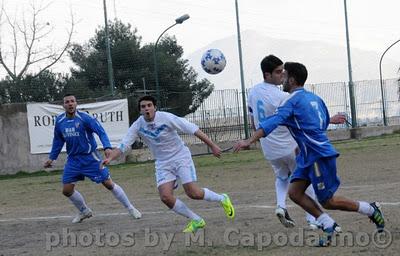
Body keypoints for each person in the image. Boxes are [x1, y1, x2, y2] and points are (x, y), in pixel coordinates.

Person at [234, 62, 385, 246]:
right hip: (307, 155)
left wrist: (248, 141)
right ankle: (328, 225)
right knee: (295, 193)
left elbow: (272, 122)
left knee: (328, 201)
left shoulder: (291, 100)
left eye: (285, 75)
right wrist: (301, 145)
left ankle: (371, 209)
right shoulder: (315, 98)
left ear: (292, 79)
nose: (282, 80)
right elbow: (319, 125)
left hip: (317, 155)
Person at [103, 95, 235, 233]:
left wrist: (212, 146)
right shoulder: (138, 125)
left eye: (149, 105)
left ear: (155, 107)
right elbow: (124, 145)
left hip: (180, 157)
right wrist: (111, 157)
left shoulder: (166, 118)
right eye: (143, 107)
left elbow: (193, 129)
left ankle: (222, 198)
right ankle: (196, 220)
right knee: (165, 197)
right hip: (162, 162)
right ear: (140, 110)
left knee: (193, 193)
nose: (147, 108)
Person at [44, 94, 141, 223]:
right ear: (63, 105)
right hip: (73, 160)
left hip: (90, 158)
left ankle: (130, 208)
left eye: (72, 101)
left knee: (108, 184)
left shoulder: (85, 118)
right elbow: (58, 140)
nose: (70, 104)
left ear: (76, 103)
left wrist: (107, 147)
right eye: (67, 102)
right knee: (67, 191)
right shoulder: (60, 121)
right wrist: (52, 158)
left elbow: (100, 131)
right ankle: (84, 211)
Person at [247, 54, 319, 229]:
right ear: (267, 74)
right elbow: (303, 117)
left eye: (283, 72)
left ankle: (281, 206)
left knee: (281, 177)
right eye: (278, 72)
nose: (282, 75)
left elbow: (252, 119)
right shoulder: (282, 96)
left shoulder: (253, 92)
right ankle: (312, 219)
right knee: (306, 179)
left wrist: (255, 138)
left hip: (268, 147)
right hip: (289, 145)